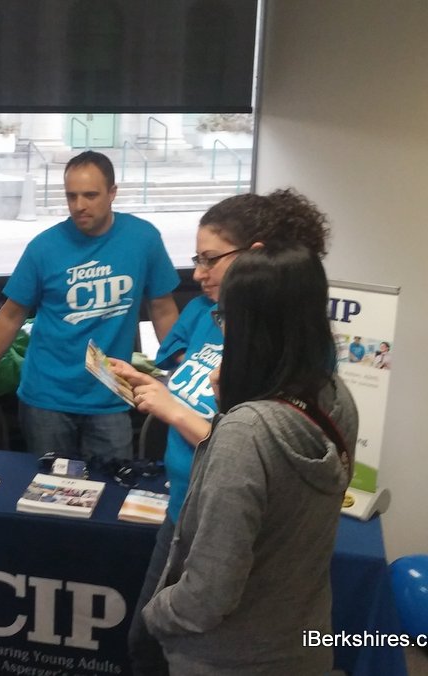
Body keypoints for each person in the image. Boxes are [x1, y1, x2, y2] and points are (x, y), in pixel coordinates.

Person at [109, 188, 331, 676]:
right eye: (197, 259)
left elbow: (253, 446)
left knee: (175, 640)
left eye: (209, 259)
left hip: (227, 525)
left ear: (254, 257)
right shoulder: (203, 314)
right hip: (180, 512)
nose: (198, 273)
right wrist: (155, 386)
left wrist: (174, 412)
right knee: (145, 647)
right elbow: (188, 384)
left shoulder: (293, 351)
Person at [141, 245, 357, 675]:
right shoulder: (337, 396)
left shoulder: (245, 433)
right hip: (301, 643)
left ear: (251, 328)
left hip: (226, 657)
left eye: (225, 320)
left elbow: (209, 593)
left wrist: (156, 614)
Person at [0, 150, 180, 464]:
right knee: (48, 488)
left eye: (90, 195)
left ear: (112, 193)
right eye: (71, 196)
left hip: (110, 394)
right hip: (47, 396)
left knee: (112, 487)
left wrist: (182, 370)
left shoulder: (143, 239)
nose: (79, 205)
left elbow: (162, 308)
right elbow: (11, 314)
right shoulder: (44, 247)